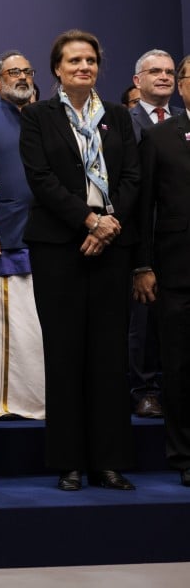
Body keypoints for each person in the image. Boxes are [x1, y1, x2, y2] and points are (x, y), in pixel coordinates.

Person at [19, 29, 139, 492]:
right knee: (66, 355)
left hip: (112, 248)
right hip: (58, 247)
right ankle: (69, 462)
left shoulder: (117, 117)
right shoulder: (38, 117)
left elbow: (132, 176)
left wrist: (109, 225)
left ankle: (108, 462)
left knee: (109, 356)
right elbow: (42, 179)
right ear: (57, 70)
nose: (83, 67)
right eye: (74, 61)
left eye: (90, 61)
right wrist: (88, 222)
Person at [0, 51, 46, 420]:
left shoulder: (50, 118)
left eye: (26, 71)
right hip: (6, 239)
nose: (21, 77)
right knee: (11, 331)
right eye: (12, 72)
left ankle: (43, 400)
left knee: (42, 331)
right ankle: (7, 404)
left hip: (51, 239)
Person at [133, 53, 190, 487]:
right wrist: (143, 264)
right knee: (179, 364)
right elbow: (143, 207)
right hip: (176, 270)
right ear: (184, 87)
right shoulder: (159, 136)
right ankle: (184, 456)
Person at [127, 50, 183, 419]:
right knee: (142, 319)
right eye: (154, 71)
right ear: (138, 81)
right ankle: (144, 389)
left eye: (169, 71)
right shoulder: (121, 121)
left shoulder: (182, 122)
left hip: (179, 237)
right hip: (139, 232)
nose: (163, 77)